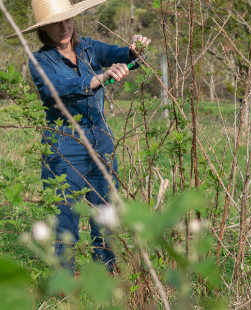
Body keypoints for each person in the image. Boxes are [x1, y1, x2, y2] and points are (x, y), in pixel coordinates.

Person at [8, 0, 150, 274]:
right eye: (54, 23)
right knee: (65, 216)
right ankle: (66, 284)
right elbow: (57, 90)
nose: (63, 27)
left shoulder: (90, 48)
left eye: (67, 20)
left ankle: (107, 274)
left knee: (106, 209)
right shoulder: (39, 60)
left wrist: (135, 50)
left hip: (101, 139)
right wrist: (100, 76)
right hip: (64, 143)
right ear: (43, 29)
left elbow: (126, 57)